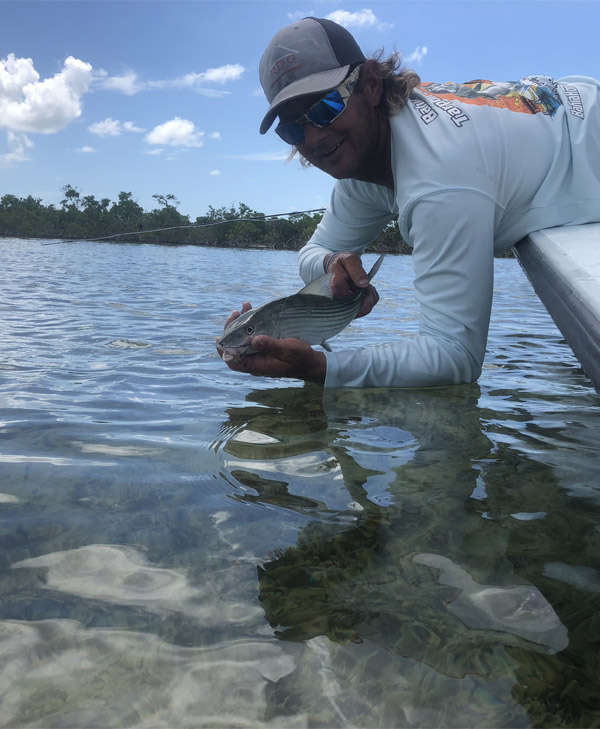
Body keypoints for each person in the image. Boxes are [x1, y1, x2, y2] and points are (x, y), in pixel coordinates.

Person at [219, 16, 600, 388]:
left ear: (369, 83)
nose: (313, 137)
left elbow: (455, 357)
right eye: (291, 127)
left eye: (325, 107)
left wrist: (318, 367)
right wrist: (331, 264)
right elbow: (314, 250)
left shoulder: (439, 174)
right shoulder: (367, 159)